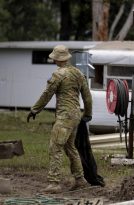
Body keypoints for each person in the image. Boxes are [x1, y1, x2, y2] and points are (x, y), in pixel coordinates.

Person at [27, 45, 93, 194]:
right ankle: (80, 180)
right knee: (70, 148)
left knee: (55, 147)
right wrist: (88, 113)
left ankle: (54, 183)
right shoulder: (78, 73)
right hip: (76, 116)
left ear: (57, 59)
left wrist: (35, 109)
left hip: (64, 117)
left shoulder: (58, 75)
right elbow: (87, 97)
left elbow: (47, 94)